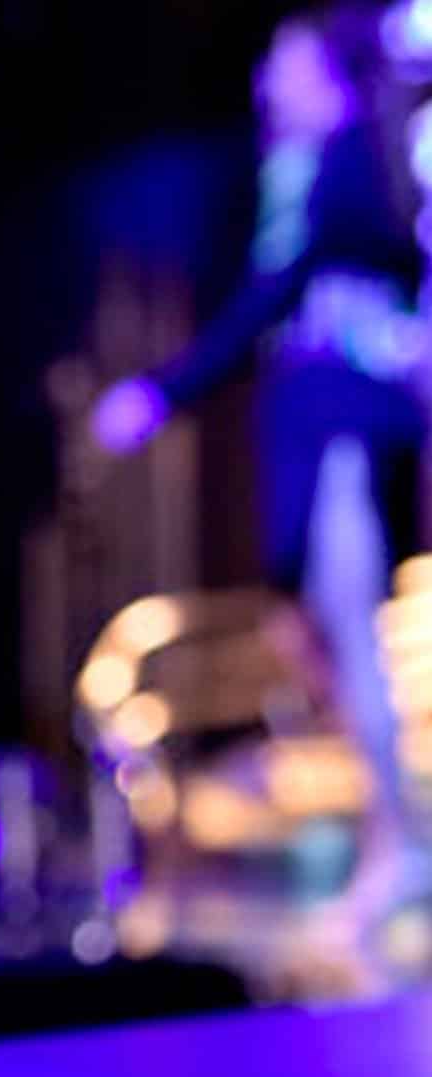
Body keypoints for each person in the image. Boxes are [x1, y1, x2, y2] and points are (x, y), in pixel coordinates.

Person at [91, 7, 427, 922]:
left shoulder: (349, 162)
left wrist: (162, 390)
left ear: (329, 77)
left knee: (349, 626)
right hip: (317, 435)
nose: (265, 80)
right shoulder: (312, 169)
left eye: (284, 62)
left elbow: (280, 293)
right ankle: (391, 837)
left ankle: (400, 844)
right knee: (316, 631)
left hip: (344, 435)